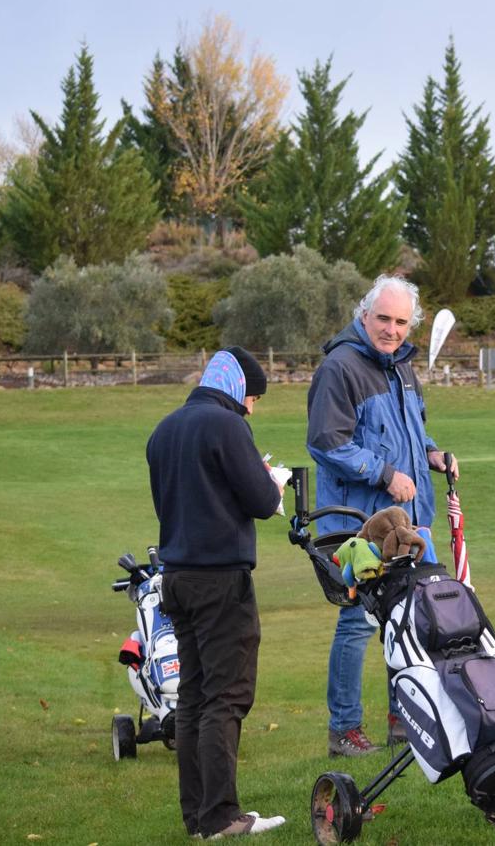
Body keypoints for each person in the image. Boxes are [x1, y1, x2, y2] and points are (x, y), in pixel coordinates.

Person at [307, 274, 458, 756]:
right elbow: (326, 443)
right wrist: (384, 473)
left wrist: (433, 454)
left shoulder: (402, 367)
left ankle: (405, 718)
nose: (391, 329)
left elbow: (412, 431)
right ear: (364, 314)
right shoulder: (340, 367)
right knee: (358, 623)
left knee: (410, 622)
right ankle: (344, 731)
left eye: (400, 321)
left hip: (409, 523)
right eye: (383, 319)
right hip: (359, 526)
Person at [147, 347, 287, 839]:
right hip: (220, 581)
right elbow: (264, 501)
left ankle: (199, 818)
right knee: (226, 697)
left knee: (193, 696)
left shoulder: (164, 429)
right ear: (235, 389)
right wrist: (275, 482)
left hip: (176, 578)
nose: (253, 408)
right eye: (252, 397)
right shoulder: (227, 426)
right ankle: (224, 816)